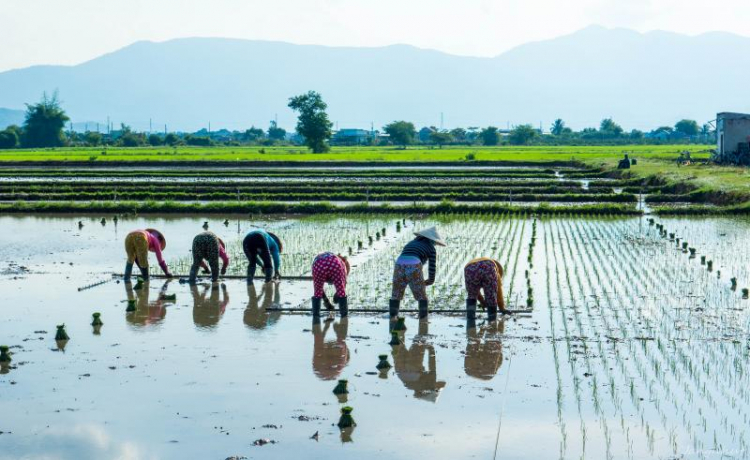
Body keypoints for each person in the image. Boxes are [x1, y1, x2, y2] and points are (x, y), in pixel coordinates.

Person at [389, 227, 446, 318]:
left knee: (396, 294)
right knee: (421, 296)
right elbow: (432, 267)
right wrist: (430, 280)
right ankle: (423, 318)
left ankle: (392, 317)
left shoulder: (410, 243)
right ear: (432, 240)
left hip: (399, 264)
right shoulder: (431, 248)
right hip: (414, 264)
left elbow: (406, 255)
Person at [311, 252, 350, 317]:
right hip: (334, 265)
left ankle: (315, 316)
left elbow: (320, 289)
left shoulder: (332, 257)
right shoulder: (341, 264)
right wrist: (336, 298)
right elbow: (342, 287)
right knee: (341, 291)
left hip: (318, 265)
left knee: (317, 292)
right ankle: (344, 315)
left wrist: (326, 301)